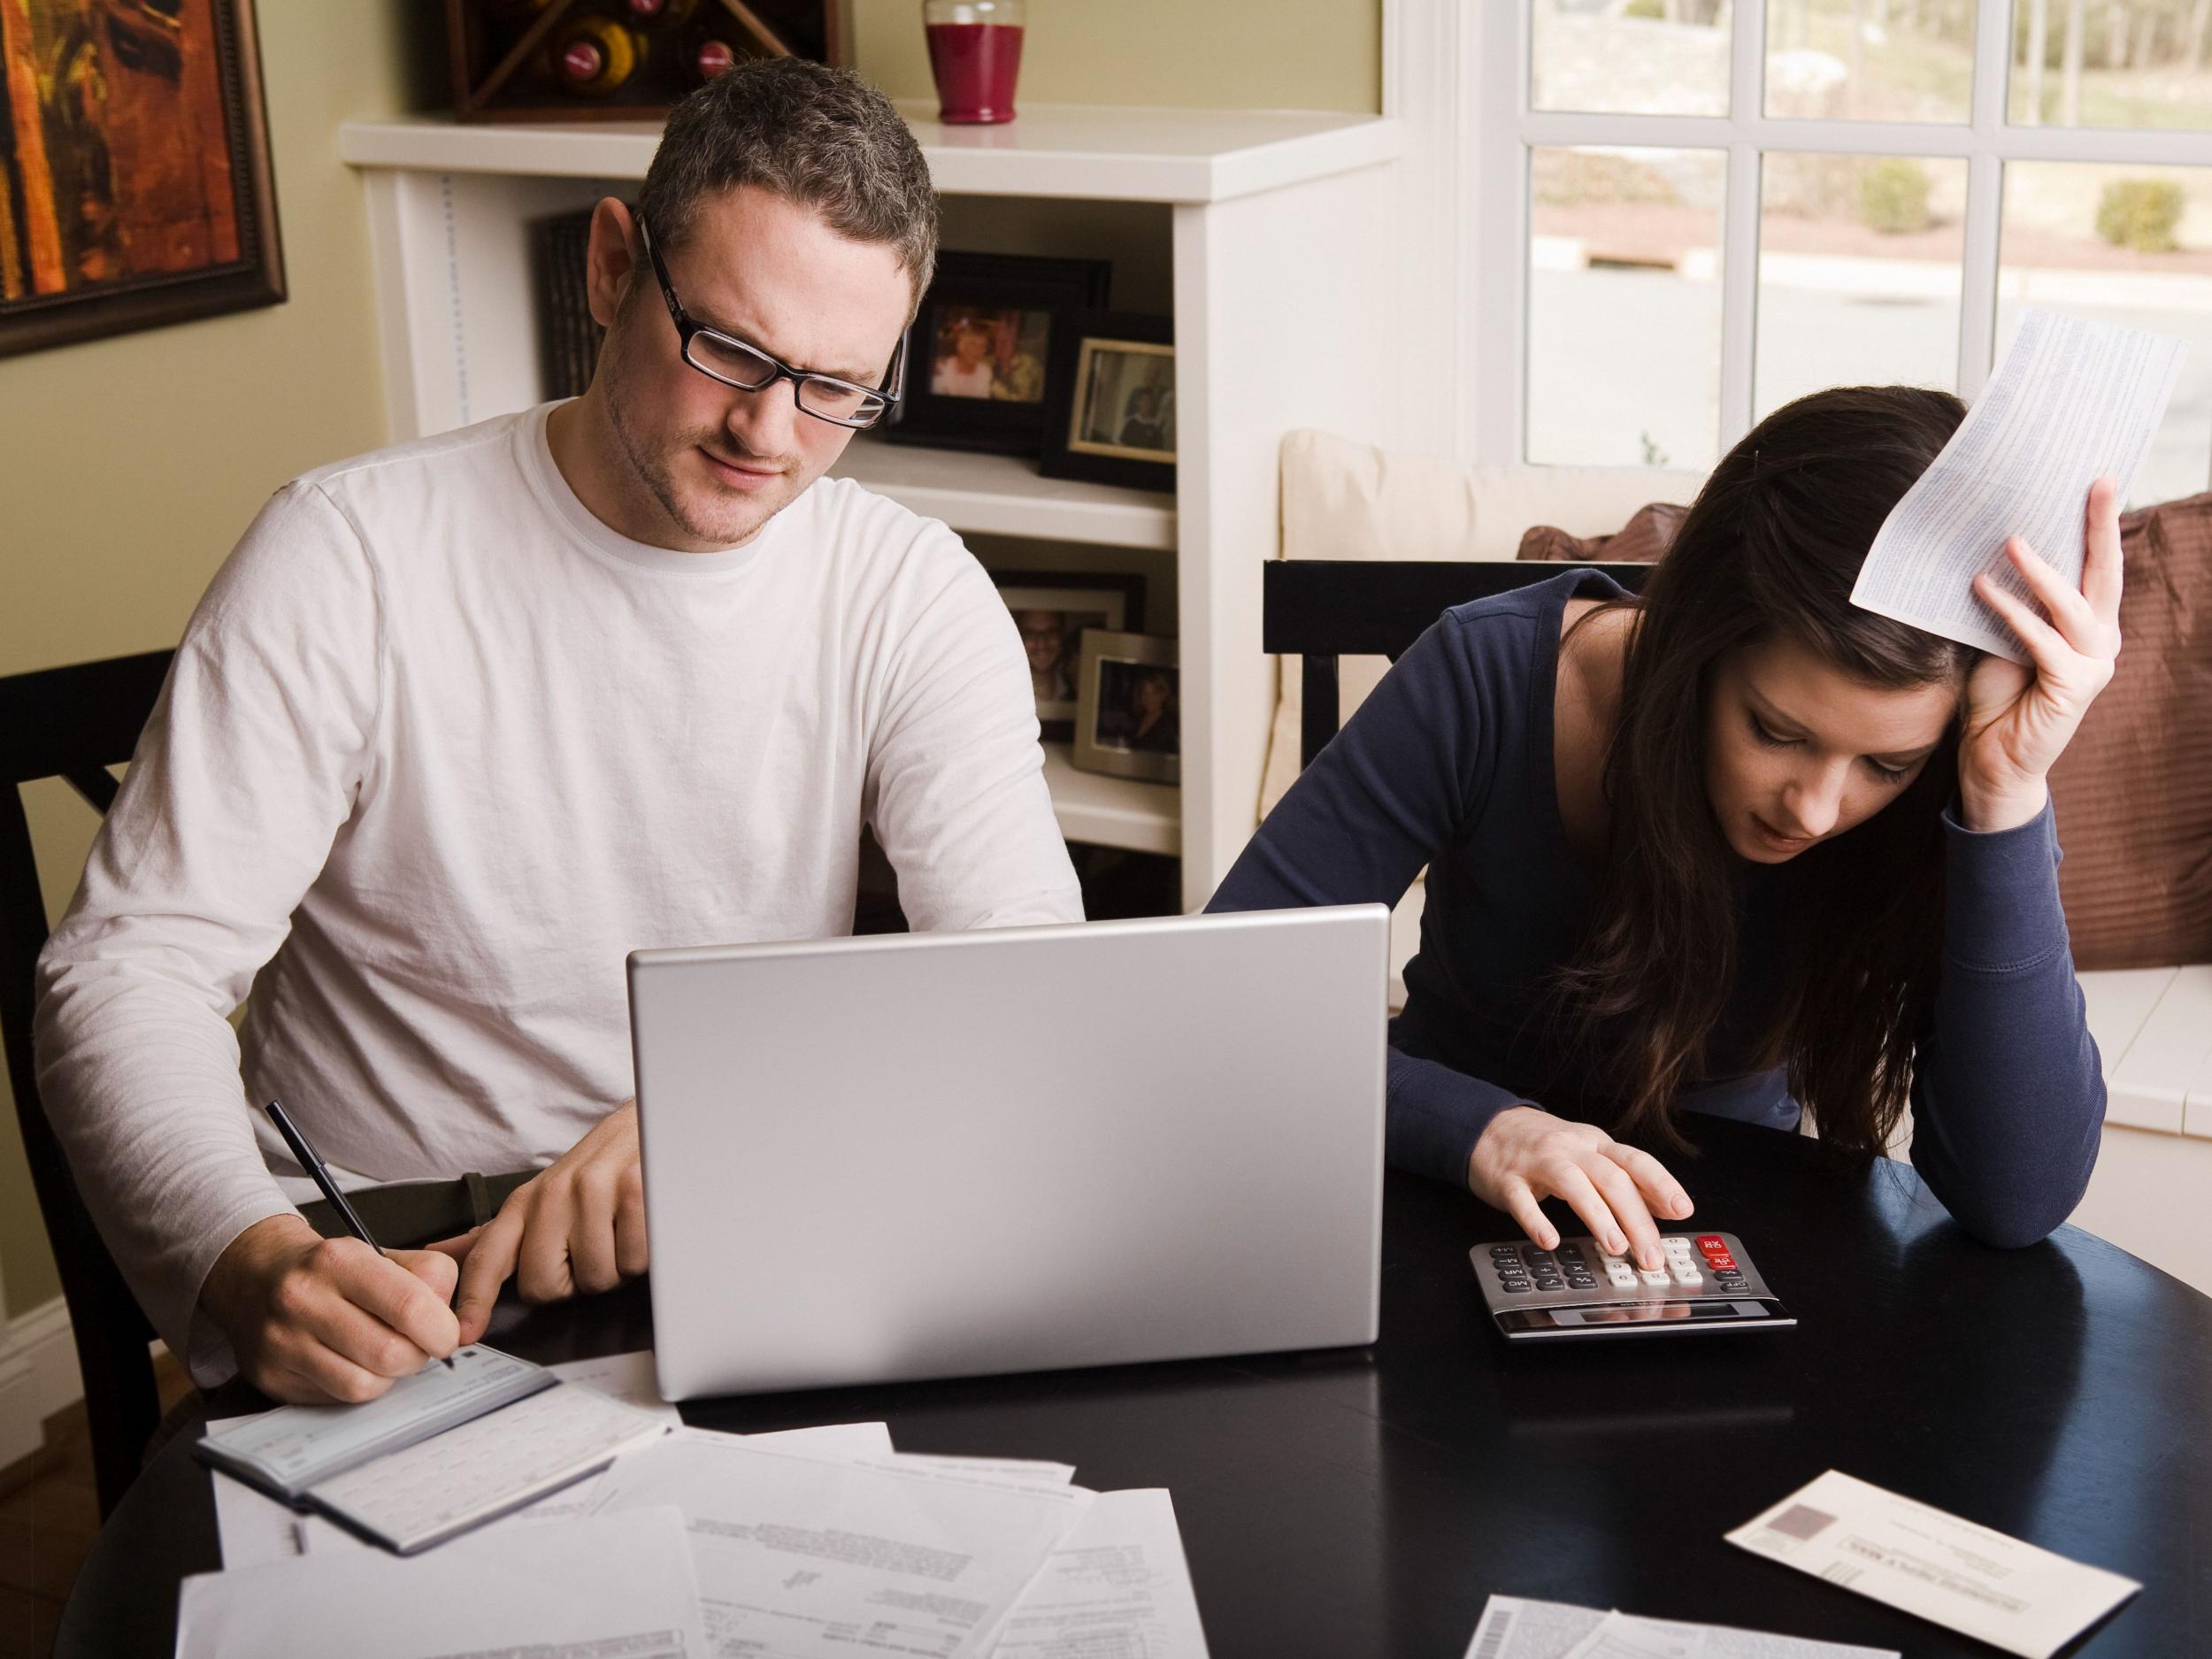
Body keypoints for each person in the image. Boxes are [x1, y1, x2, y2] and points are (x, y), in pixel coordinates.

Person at [34, 59, 1083, 1405]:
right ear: (608, 268)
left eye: (839, 388)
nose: (772, 431)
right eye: (736, 352)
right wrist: (247, 1260)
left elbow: (1021, 992)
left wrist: (730, 1125)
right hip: (389, 1258)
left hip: (743, 1209)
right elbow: (127, 969)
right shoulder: (348, 552)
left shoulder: (909, 588)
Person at [1209, 386, 2114, 1268]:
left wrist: (2006, 796)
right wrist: (1484, 1130)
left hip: (1728, 1223)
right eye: (1774, 731)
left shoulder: (1956, 764)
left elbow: (2016, 1201)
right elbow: (1229, 1009)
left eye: (1883, 764)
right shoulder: (1483, 678)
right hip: (1436, 1193)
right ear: (1695, 646)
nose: (1813, 807)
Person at [932, 318, 995, 397]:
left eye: (982, 346)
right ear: (961, 345)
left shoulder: (986, 372)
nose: (978, 351)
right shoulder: (942, 367)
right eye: (973, 344)